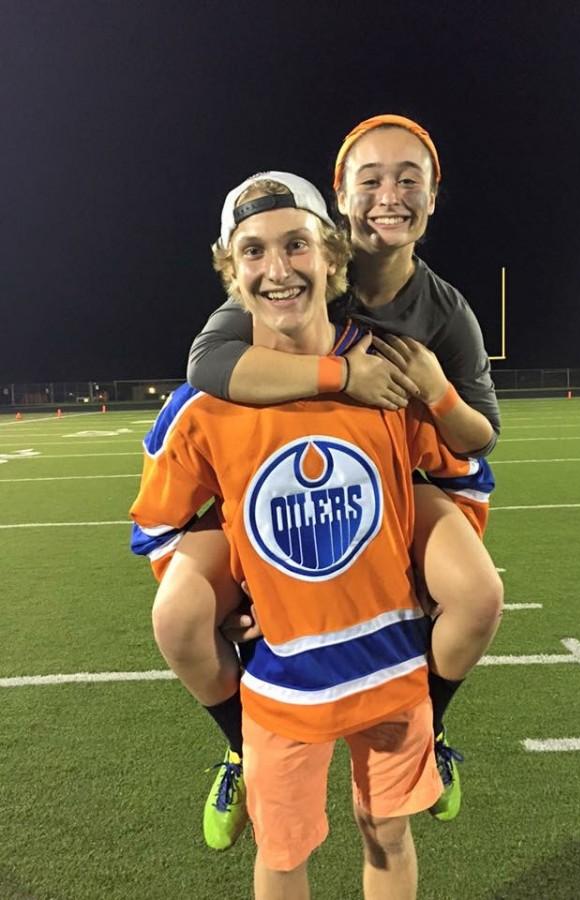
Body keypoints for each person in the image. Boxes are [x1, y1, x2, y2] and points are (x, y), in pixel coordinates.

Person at [130, 172, 494, 899]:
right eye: (254, 252)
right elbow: (160, 521)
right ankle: (235, 746)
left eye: (296, 244)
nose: (277, 269)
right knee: (281, 850)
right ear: (231, 274)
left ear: (331, 257)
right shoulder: (205, 402)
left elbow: (461, 470)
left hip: (389, 663)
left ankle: (437, 729)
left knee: (388, 833)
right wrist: (223, 596)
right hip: (279, 679)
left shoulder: (391, 368)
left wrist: (423, 560)